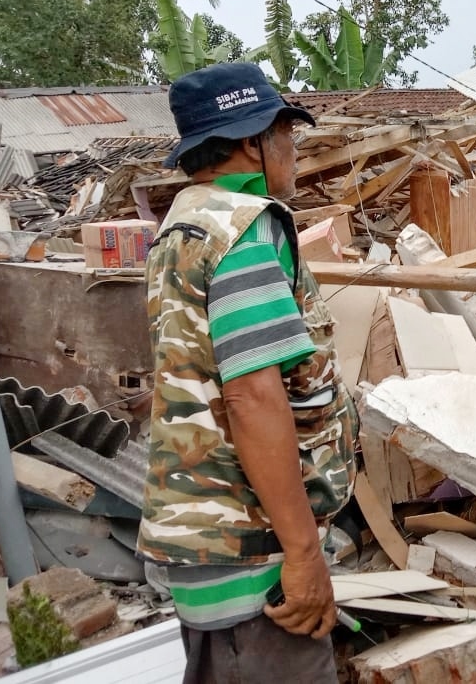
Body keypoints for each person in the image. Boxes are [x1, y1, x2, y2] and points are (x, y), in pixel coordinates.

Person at [137, 62, 359, 683]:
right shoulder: (244, 231)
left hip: (211, 540)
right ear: (250, 141)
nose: (294, 151)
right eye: (287, 133)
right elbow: (255, 398)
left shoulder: (183, 223)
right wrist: (304, 553)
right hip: (250, 553)